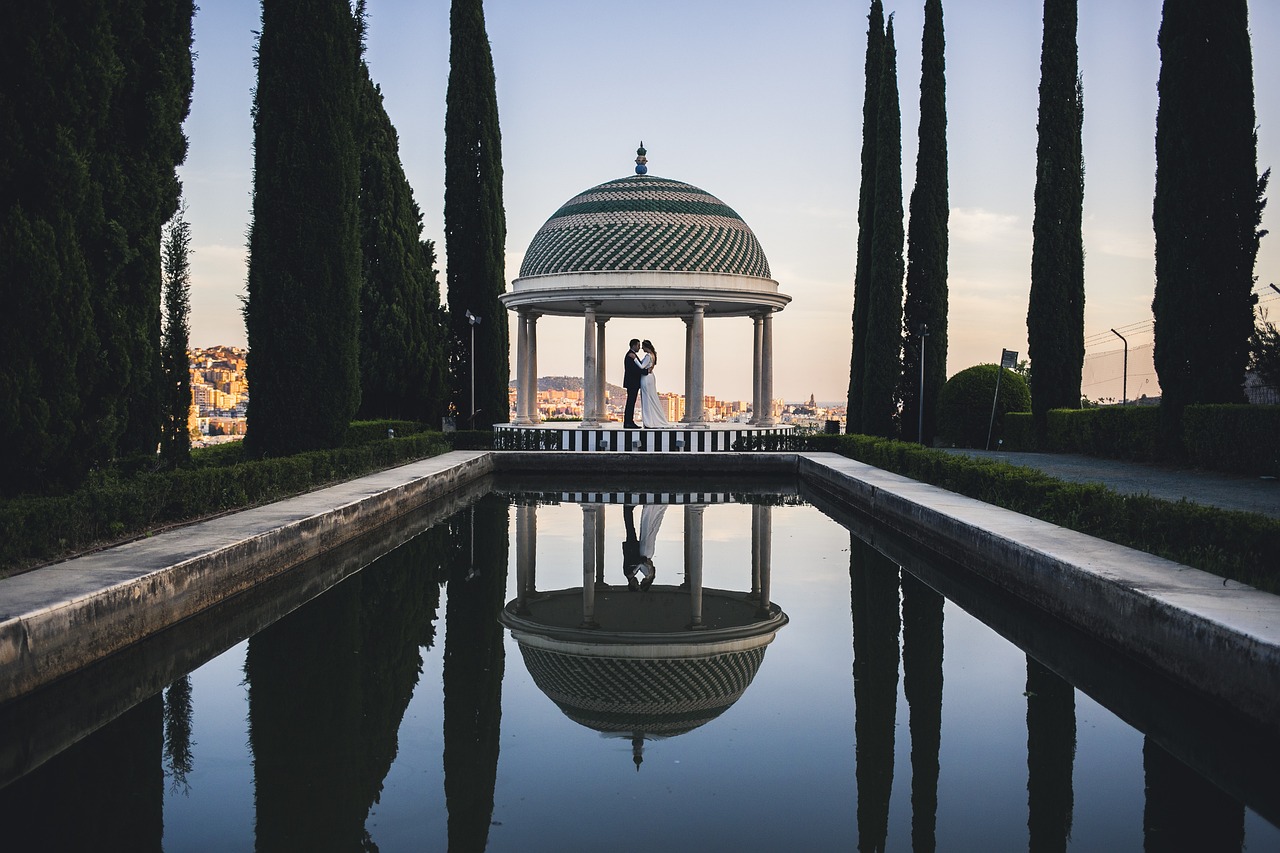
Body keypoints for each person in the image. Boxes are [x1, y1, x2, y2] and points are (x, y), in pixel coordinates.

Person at [637, 340, 672, 428]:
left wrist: (634, 359)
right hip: (650, 377)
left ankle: (649, 421)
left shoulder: (648, 356)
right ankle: (651, 420)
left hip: (646, 378)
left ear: (646, 347)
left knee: (647, 398)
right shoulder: (652, 355)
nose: (641, 348)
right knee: (651, 398)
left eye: (643, 346)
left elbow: (642, 366)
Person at [622, 338, 646, 428]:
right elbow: (634, 369)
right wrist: (646, 371)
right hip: (632, 383)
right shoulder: (630, 355)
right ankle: (628, 422)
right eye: (638, 345)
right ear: (634, 345)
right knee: (631, 402)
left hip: (632, 383)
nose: (639, 347)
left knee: (631, 402)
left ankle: (629, 421)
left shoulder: (632, 355)